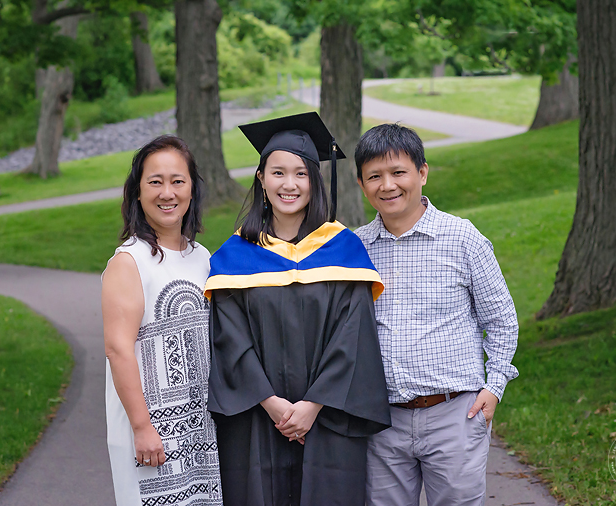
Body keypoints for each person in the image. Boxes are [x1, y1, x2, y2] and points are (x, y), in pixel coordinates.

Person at [204, 112, 391, 506]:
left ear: (314, 180)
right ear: (261, 178)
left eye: (301, 174)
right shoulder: (234, 256)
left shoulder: (342, 250)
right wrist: (273, 405)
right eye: (277, 173)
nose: (289, 184)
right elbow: (230, 340)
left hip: (328, 417)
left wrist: (310, 406)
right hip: (256, 418)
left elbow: (352, 336)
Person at [354, 123, 519, 506]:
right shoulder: (356, 248)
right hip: (382, 420)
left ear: (422, 173)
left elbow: (502, 321)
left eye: (398, 172)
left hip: (454, 413)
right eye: (374, 176)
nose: (387, 185)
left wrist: (494, 387)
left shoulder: (463, 239)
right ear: (362, 184)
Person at [101, 135, 222, 506]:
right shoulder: (129, 261)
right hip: (152, 430)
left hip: (200, 427)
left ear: (191, 190)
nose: (167, 193)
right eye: (155, 182)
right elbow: (118, 350)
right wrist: (142, 428)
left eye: (177, 181)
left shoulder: (202, 256)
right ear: (137, 192)